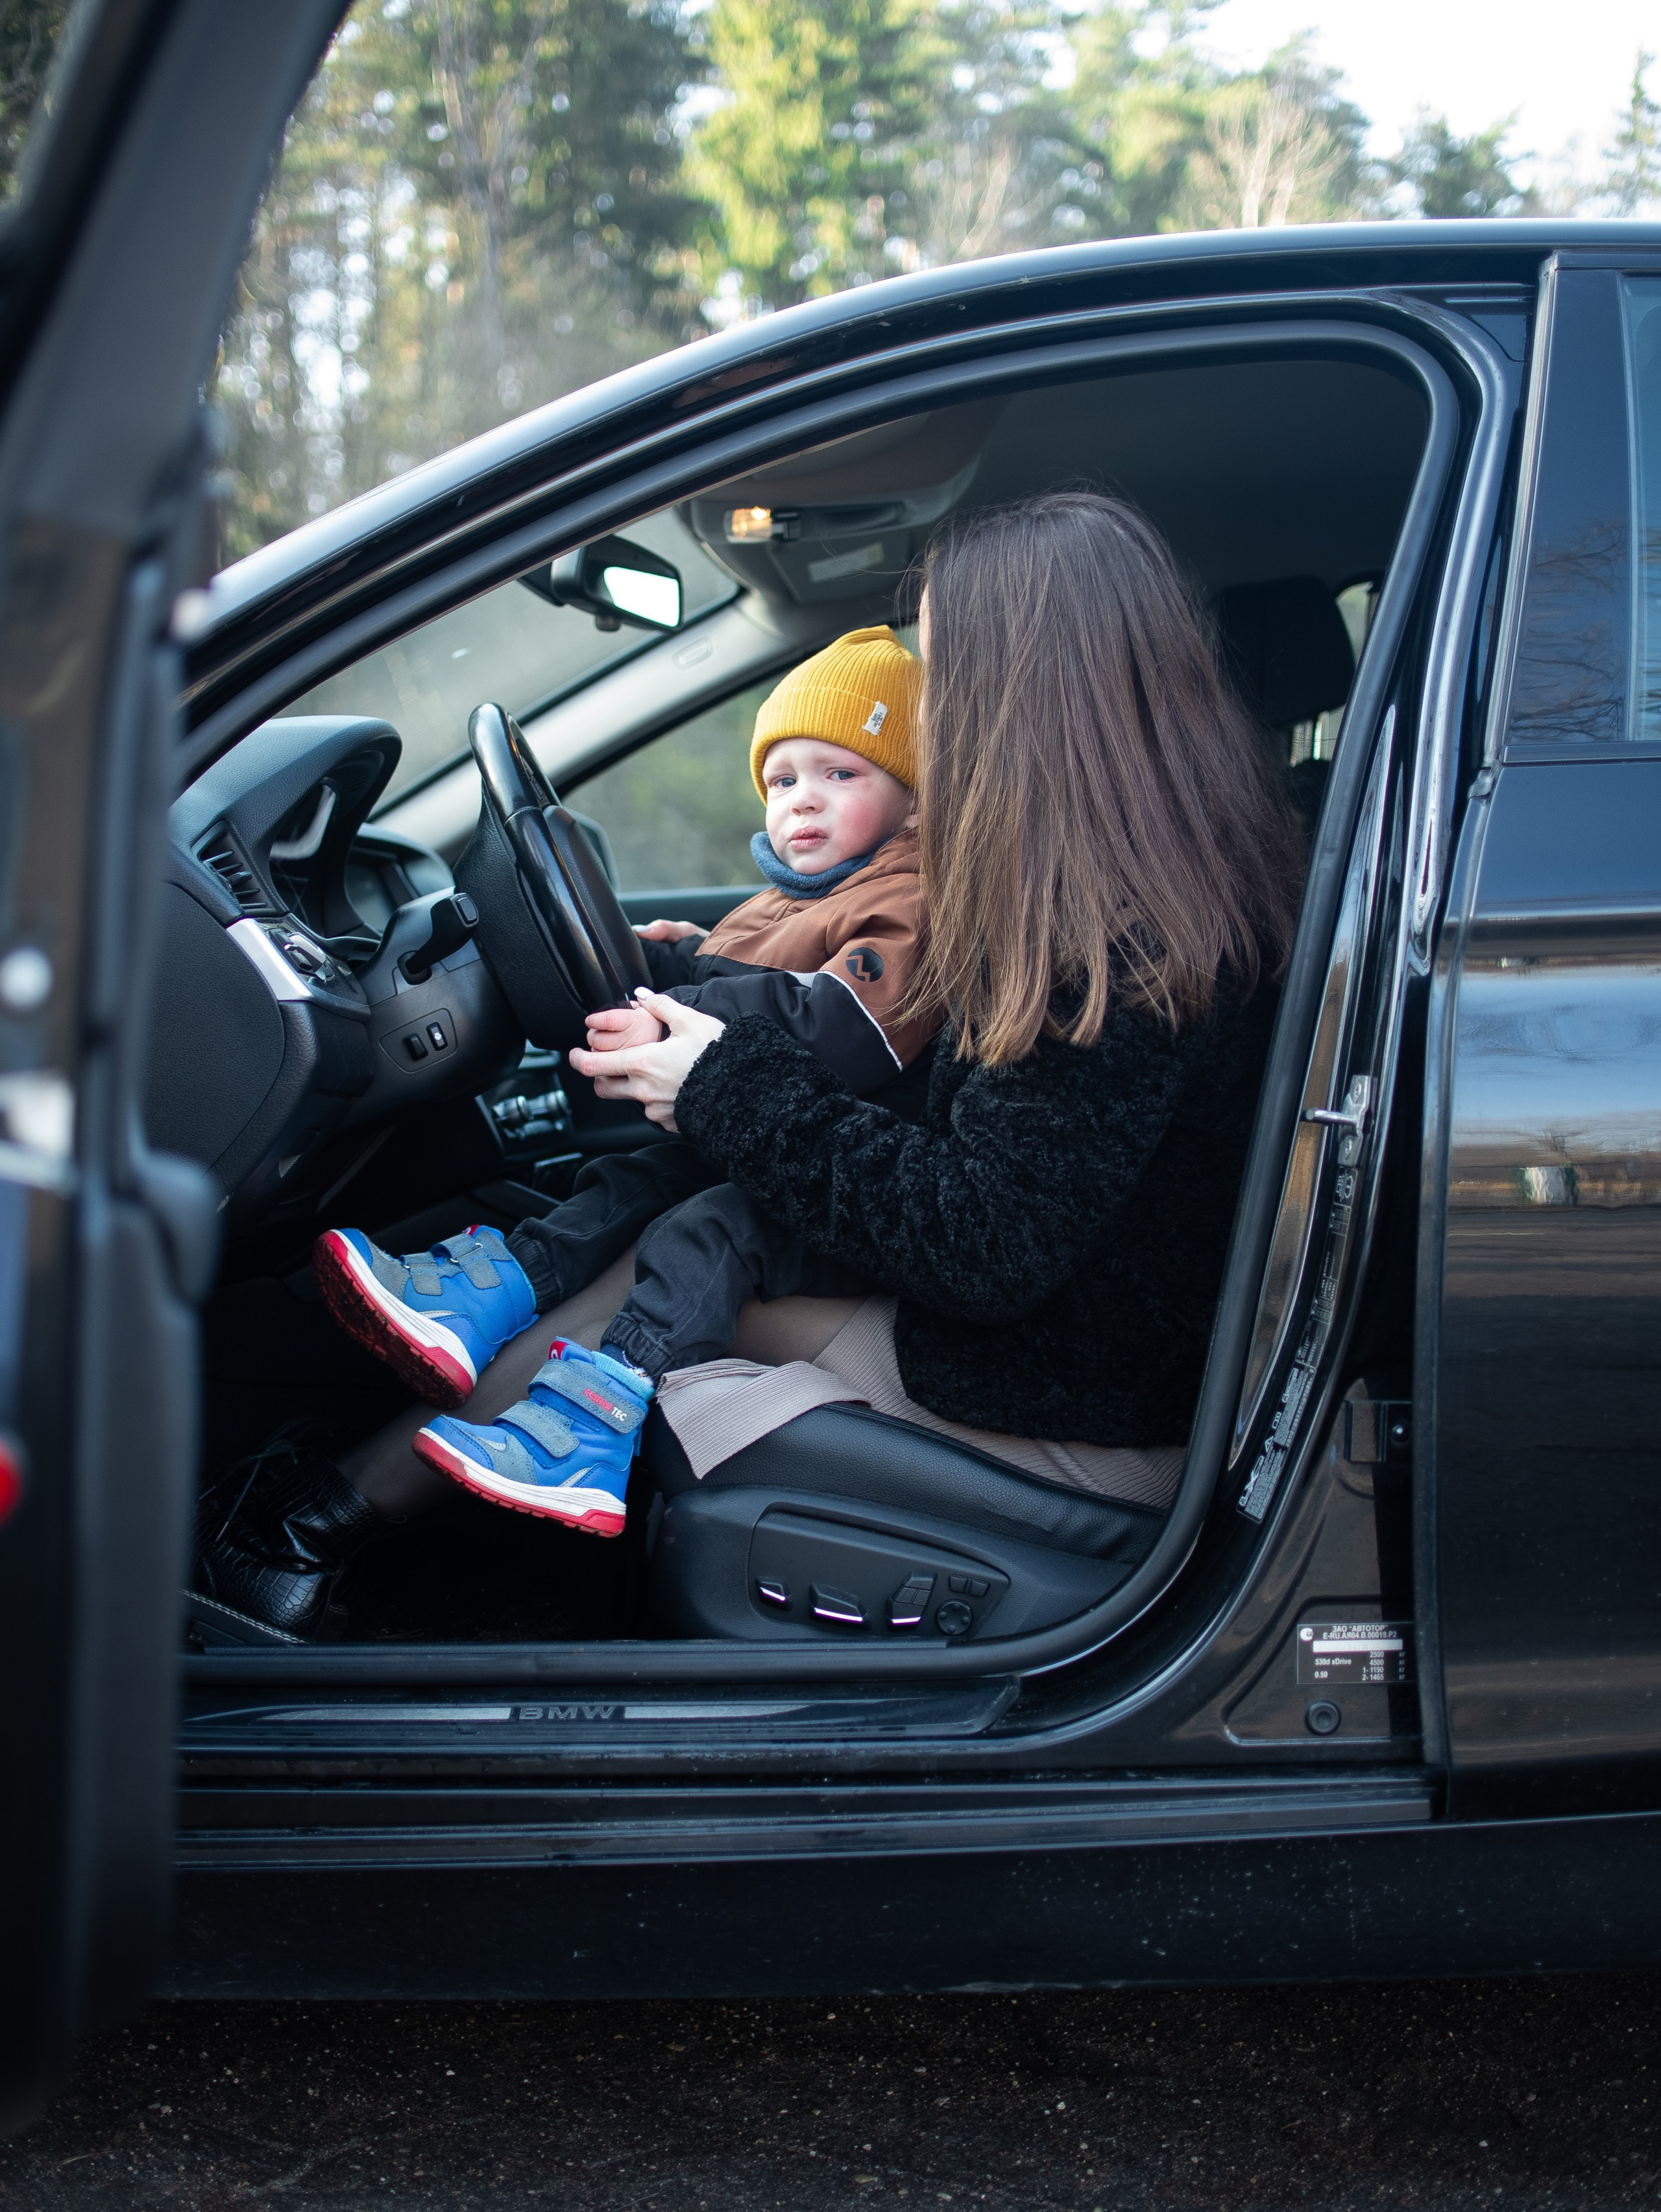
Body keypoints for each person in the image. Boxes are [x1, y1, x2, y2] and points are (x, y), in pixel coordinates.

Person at [194, 491, 1303, 1642]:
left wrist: (721, 1085)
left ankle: (303, 1528)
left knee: (676, 1239)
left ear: (1024, 696)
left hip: (1073, 1388)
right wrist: (712, 1038)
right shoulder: (1152, 896)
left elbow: (988, 1242)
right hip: (1084, 1339)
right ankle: (320, 1518)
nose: (941, 708)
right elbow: (989, 1148)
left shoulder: (1114, 945)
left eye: (948, 665)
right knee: (701, 1213)